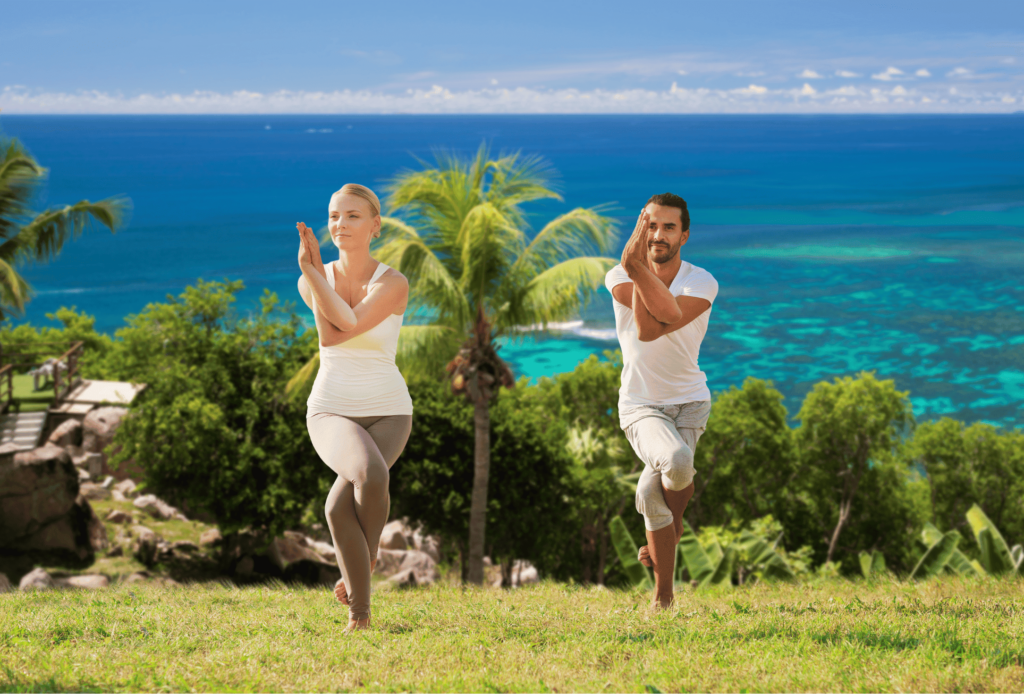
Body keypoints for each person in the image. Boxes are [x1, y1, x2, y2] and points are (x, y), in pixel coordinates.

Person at [296, 183, 412, 632]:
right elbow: (330, 338)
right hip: (331, 411)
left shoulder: (393, 283)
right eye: (333, 216)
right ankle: (369, 575)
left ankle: (359, 608)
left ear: (375, 226)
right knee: (371, 474)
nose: (339, 224)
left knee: (335, 509)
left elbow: (347, 323)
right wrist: (312, 274)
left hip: (390, 412)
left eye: (352, 216)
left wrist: (312, 273)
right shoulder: (312, 280)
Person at [604, 192, 718, 608]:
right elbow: (648, 327)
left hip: (690, 403)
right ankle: (676, 530)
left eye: (669, 227)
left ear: (684, 235)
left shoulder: (701, 282)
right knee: (678, 462)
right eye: (650, 225)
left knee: (653, 492)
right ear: (639, 229)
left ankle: (663, 599)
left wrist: (638, 266)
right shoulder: (618, 275)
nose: (658, 235)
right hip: (641, 407)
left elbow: (659, 322)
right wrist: (634, 266)